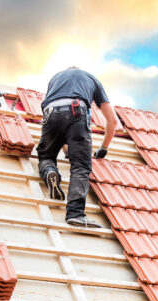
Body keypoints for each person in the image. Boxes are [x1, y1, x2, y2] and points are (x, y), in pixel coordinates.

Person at [36, 67, 118, 228]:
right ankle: (75, 214)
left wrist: (67, 150)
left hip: (50, 113)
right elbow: (112, 121)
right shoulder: (92, 79)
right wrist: (104, 147)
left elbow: (59, 126)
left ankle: (49, 172)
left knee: (46, 155)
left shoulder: (55, 78)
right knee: (80, 166)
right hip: (76, 111)